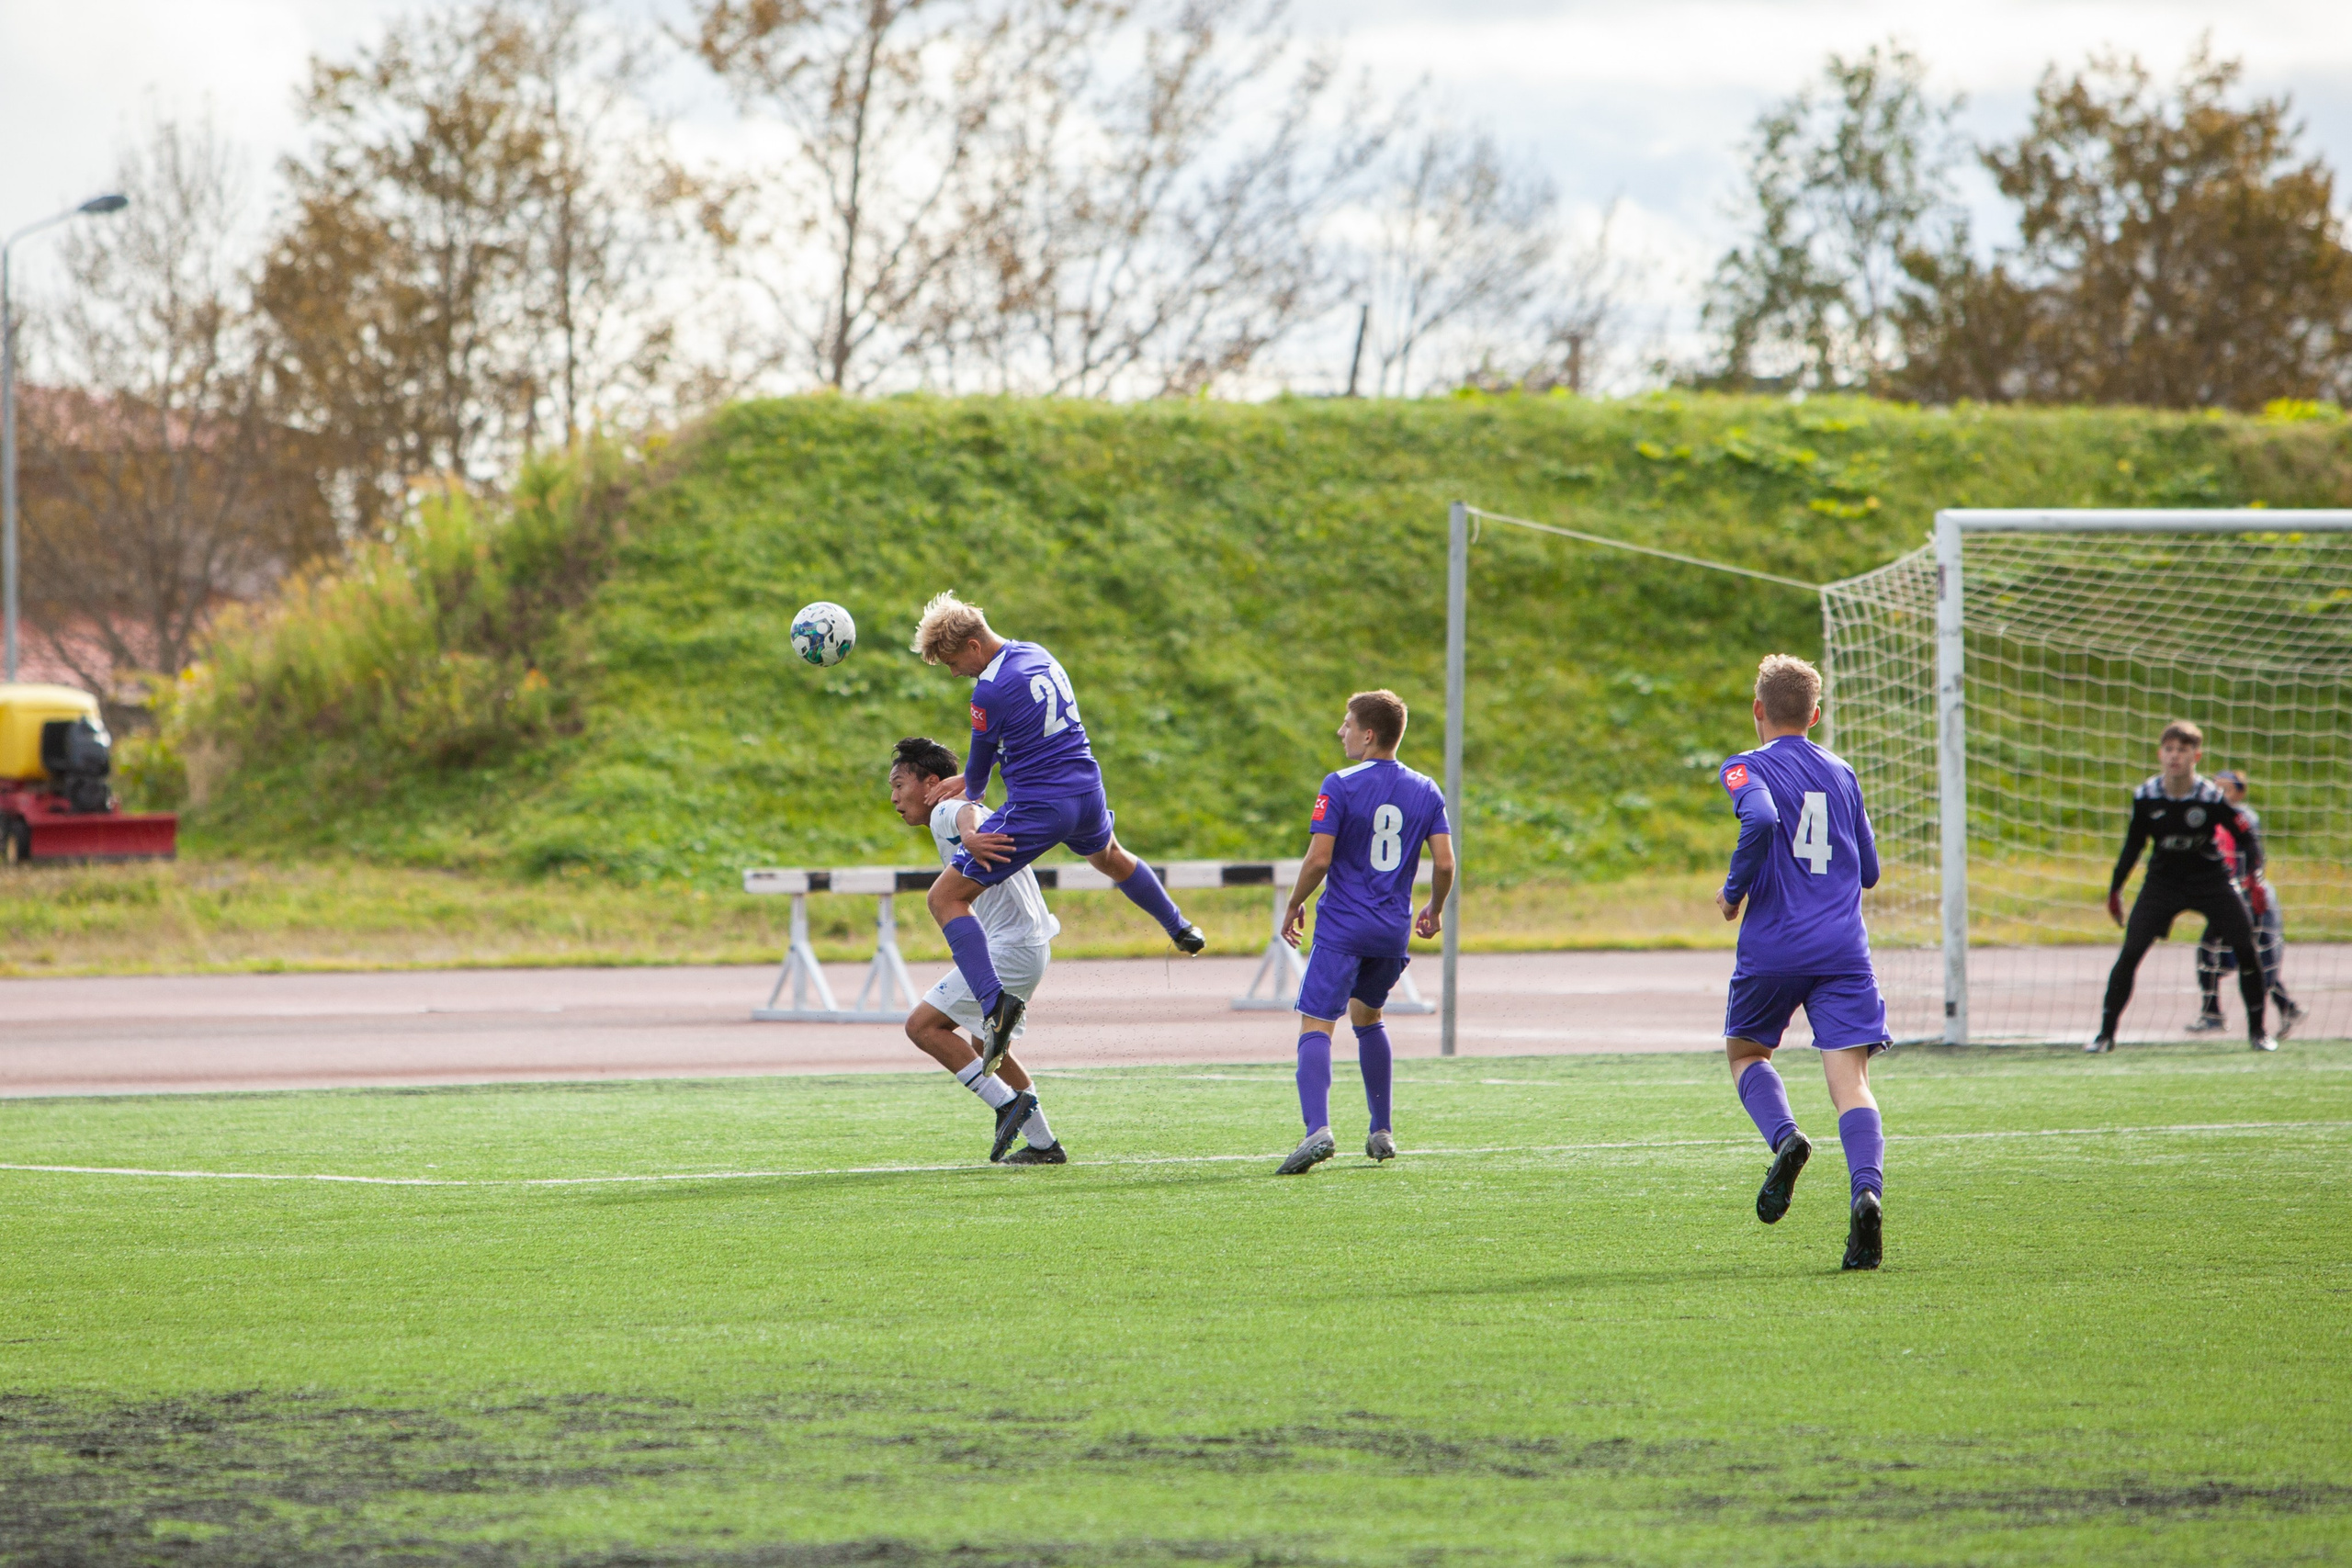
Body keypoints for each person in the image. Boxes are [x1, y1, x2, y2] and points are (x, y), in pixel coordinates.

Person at [912, 592, 1205, 1074]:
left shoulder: (987, 691)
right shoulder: (1038, 654)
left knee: (945, 899)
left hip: (1040, 807)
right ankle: (1180, 927)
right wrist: (973, 774)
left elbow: (982, 782)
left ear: (971, 644)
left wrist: (967, 814)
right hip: (1086, 790)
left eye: (951, 661)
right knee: (1110, 855)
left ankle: (994, 1005)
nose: (953, 673)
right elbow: (1031, 737)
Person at [1714, 654, 1891, 1271]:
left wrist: (1736, 888)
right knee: (1852, 1083)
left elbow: (1760, 817)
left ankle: (1787, 1137)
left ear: (1758, 709)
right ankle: (1866, 1192)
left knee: (1746, 1053)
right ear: (1815, 714)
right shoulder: (1843, 773)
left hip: (1774, 943)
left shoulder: (1744, 766)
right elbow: (1869, 870)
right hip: (1844, 948)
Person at [1272, 690, 1453, 1176]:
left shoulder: (1340, 784)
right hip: (1391, 933)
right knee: (1369, 1017)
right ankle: (1381, 1129)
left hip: (1344, 928)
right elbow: (1445, 862)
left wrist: (1295, 903)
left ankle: (1317, 1130)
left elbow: (1319, 858)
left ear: (1368, 734)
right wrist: (1434, 909)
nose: (1341, 731)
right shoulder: (1426, 789)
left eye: (1347, 723)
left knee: (1316, 1022)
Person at [887, 737, 1066, 1164]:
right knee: (986, 1044)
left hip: (1011, 947)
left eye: (898, 784)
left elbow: (964, 808)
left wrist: (968, 833)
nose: (893, 797)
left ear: (932, 782)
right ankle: (1044, 1146)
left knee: (923, 1028)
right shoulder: (957, 813)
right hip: (1027, 945)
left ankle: (1007, 1105)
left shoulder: (946, 809)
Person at [2092, 722, 2275, 1055]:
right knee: (2130, 953)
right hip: (2162, 883)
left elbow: (2245, 836)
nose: (2175, 756)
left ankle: (2259, 1033)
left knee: (2246, 948)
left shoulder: (2210, 797)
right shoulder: (2146, 796)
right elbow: (2133, 846)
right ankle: (2105, 1036)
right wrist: (2115, 889)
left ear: (2196, 756)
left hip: (2210, 880)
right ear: (2160, 754)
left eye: (2183, 750)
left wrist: (2255, 877)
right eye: (2169, 750)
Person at [2188, 769, 2306, 1038]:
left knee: (2255, 961)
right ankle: (2213, 1012)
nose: (2219, 795)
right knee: (2210, 952)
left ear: (2240, 793)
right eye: (2215, 789)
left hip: (2252, 899)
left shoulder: (2242, 818)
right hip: (2231, 897)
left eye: (2226, 789)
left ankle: (2281, 1008)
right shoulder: (2214, 820)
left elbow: (2247, 860)